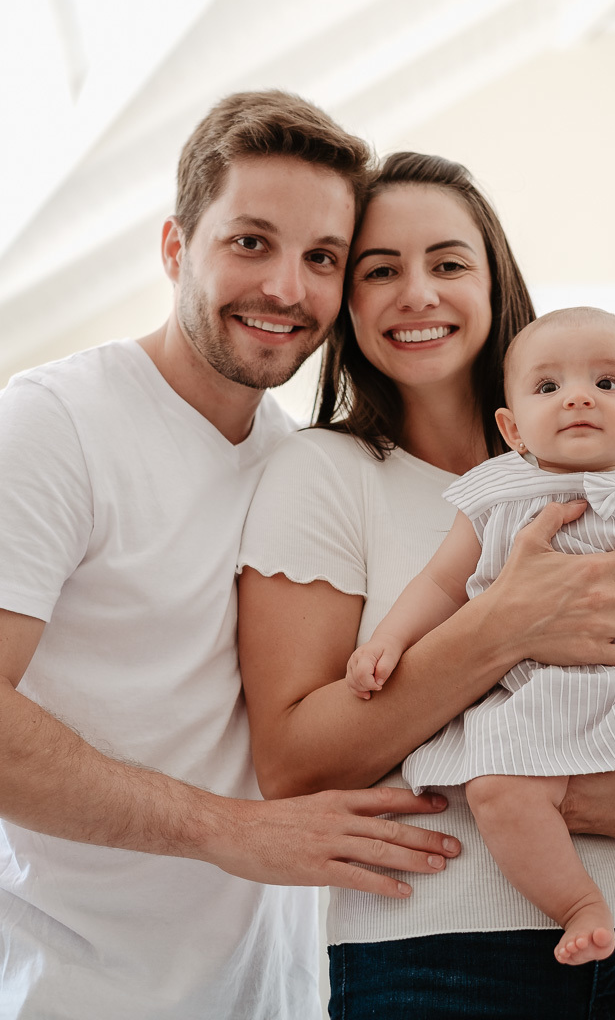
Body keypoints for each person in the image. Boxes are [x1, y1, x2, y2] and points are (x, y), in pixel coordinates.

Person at [237, 151, 615, 1019]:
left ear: (496, 284)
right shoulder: (325, 473)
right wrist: (508, 625)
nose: (418, 293)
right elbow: (295, 768)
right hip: (441, 961)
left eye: (450, 263)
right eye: (380, 270)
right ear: (347, 300)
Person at [0, 93, 470, 1020]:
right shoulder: (52, 426)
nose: (288, 290)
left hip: (276, 996)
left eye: (322, 258)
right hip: (77, 994)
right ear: (177, 247)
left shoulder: (301, 465)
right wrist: (232, 832)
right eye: (250, 242)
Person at [346, 305, 615, 969]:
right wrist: (387, 642)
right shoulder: (493, 494)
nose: (578, 396)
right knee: (499, 792)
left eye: (607, 383)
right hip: (535, 698)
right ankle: (577, 904)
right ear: (513, 427)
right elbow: (438, 587)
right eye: (549, 387)